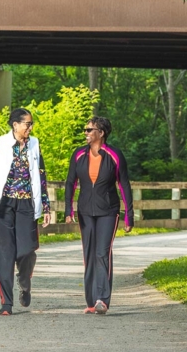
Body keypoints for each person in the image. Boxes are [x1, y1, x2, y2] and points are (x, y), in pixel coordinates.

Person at [0, 108, 51, 316]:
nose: (30, 127)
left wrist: (46, 206)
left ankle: (24, 283)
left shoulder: (34, 144)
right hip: (1, 206)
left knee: (26, 251)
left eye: (31, 124)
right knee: (4, 255)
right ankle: (6, 302)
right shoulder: (0, 144)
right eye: (27, 124)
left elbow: (41, 177)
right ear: (15, 125)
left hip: (26, 205)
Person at [64, 116, 133, 315]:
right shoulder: (78, 154)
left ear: (101, 133)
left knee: (102, 253)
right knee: (89, 254)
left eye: (89, 130)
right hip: (85, 211)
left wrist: (129, 216)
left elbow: (124, 185)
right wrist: (68, 210)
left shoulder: (114, 155)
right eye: (85, 130)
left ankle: (103, 299)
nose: (85, 133)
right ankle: (91, 301)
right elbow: (71, 183)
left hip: (108, 211)